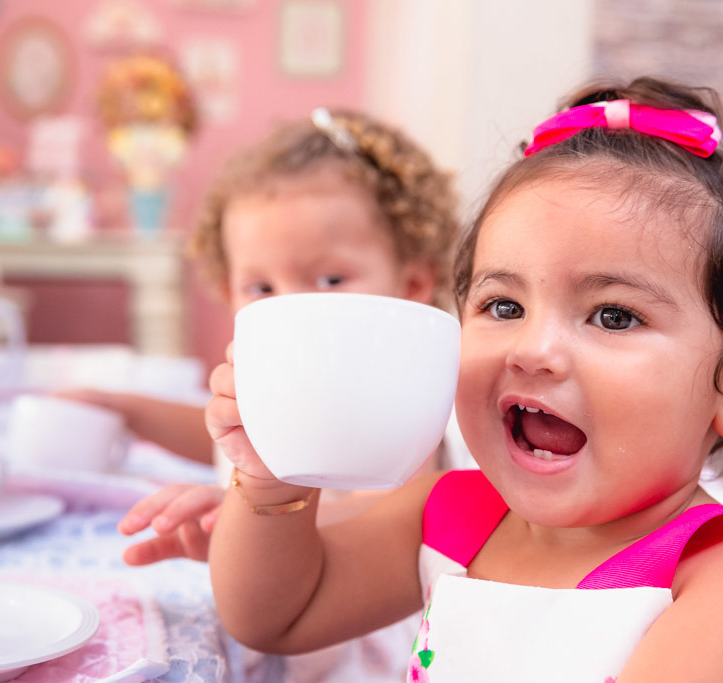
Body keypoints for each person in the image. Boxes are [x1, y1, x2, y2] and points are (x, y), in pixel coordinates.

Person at [206, 76, 723, 682]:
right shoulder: (451, 515)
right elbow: (280, 616)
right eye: (503, 306)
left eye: (614, 316)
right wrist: (268, 481)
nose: (534, 351)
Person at [66, 107, 464, 681]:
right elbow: (224, 431)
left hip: (368, 640)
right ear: (227, 289)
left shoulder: (408, 402)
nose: (289, 305)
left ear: (412, 284)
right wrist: (129, 410)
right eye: (260, 286)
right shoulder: (276, 378)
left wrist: (252, 521)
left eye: (329, 279)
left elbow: (405, 511)